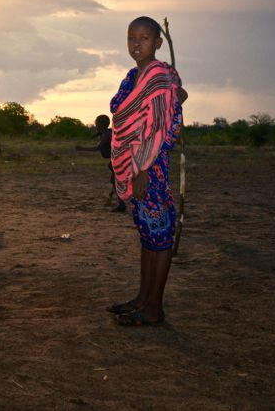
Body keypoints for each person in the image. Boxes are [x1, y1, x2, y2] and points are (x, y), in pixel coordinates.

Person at [107, 16, 187, 326]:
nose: (136, 44)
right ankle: (143, 299)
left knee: (160, 236)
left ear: (158, 43)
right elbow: (120, 110)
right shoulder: (132, 76)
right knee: (147, 235)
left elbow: (160, 128)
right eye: (131, 37)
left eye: (144, 38)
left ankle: (154, 308)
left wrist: (143, 170)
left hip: (150, 167)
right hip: (134, 163)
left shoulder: (159, 76)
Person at [76, 114, 125, 212]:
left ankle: (122, 205)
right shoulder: (107, 133)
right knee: (114, 180)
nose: (96, 126)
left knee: (116, 181)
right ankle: (116, 200)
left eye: (96, 124)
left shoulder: (107, 135)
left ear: (100, 125)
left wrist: (82, 148)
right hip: (116, 159)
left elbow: (98, 148)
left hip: (119, 159)